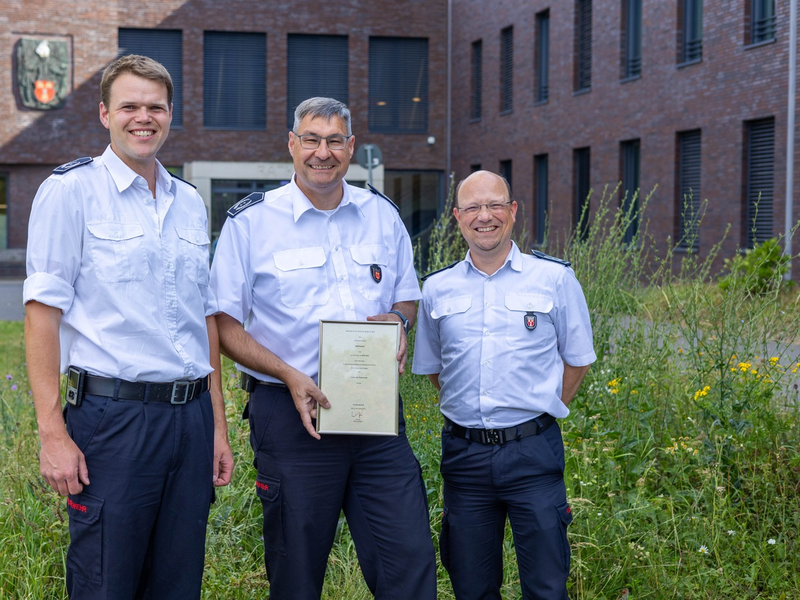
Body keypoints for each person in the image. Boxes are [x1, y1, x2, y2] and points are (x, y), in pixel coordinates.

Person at [23, 54, 233, 599]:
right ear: (104, 114)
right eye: (130, 106)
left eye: (156, 107)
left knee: (177, 582)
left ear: (170, 115)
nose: (144, 118)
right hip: (113, 423)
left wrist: (216, 425)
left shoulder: (188, 202)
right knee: (106, 580)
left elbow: (197, 322)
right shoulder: (71, 191)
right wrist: (52, 434)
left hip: (189, 423)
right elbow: (42, 317)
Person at [210, 97, 436, 600]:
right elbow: (222, 324)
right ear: (292, 145)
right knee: (296, 571)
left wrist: (400, 320)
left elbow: (405, 294)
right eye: (311, 139)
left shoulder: (381, 215)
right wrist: (290, 374)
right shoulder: (252, 222)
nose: (323, 152)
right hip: (290, 417)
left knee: (409, 560)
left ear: (351, 148)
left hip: (375, 417)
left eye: (335, 140)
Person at [412, 170, 596, 599]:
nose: (485, 216)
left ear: (512, 211)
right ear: (457, 217)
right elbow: (439, 371)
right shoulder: (437, 289)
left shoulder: (554, 279)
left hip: (533, 454)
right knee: (471, 586)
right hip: (465, 459)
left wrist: (541, 408)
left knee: (547, 585)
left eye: (495, 204)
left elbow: (578, 360)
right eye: (473, 207)